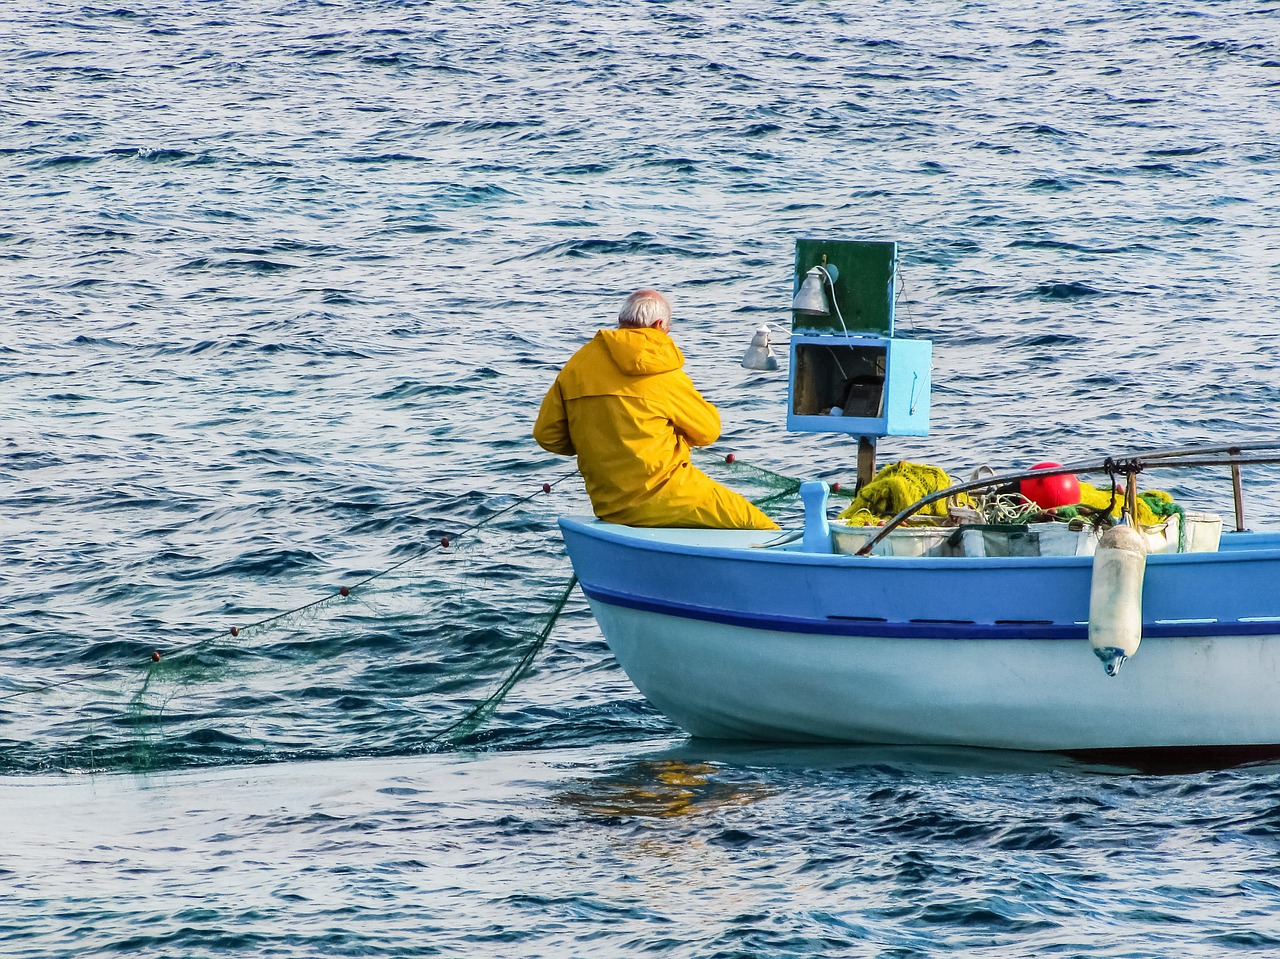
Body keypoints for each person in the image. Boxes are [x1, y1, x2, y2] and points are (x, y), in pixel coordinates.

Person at [534, 289, 779, 530]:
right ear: (660, 324)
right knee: (760, 526)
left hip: (611, 506)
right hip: (673, 497)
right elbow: (709, 432)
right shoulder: (663, 371)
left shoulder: (578, 365)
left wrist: (600, 444)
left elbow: (547, 436)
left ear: (622, 320)